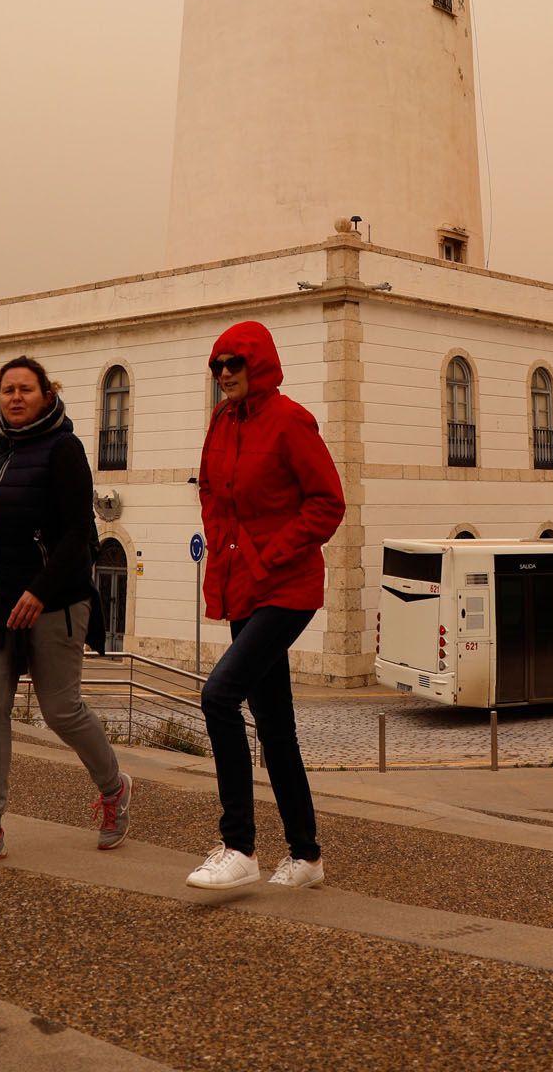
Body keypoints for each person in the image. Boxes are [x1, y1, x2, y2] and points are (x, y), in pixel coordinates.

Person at [0, 355, 132, 871]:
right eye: (7, 390)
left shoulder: (64, 449)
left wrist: (40, 591)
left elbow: (78, 539)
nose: (16, 397)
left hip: (55, 604)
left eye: (25, 389)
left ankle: (114, 787)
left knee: (61, 709)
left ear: (46, 393)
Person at [186, 320, 345, 896]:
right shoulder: (222, 421)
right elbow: (211, 491)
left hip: (286, 587)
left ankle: (239, 846)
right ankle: (306, 857)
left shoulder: (291, 421)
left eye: (236, 363)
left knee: (219, 695)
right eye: (218, 365)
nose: (225, 373)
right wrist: (230, 555)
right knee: (275, 725)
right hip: (244, 586)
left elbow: (329, 502)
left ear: (260, 365)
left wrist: (271, 554)